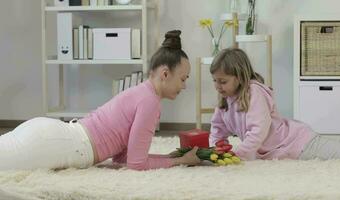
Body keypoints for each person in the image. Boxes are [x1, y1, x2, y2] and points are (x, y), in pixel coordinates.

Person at [0, 30, 201, 171]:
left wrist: (173, 157)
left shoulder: (141, 93)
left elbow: (123, 157)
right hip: (60, 144)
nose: (184, 86)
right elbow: (137, 165)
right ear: (165, 74)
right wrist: (180, 161)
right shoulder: (150, 103)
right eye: (183, 79)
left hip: (53, 135)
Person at [209, 47, 340, 162]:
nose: (218, 86)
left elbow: (258, 130)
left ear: (240, 77)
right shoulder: (225, 100)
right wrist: (218, 149)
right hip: (279, 149)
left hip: (296, 143)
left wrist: (239, 153)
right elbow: (218, 130)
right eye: (215, 81)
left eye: (223, 82)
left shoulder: (254, 92)